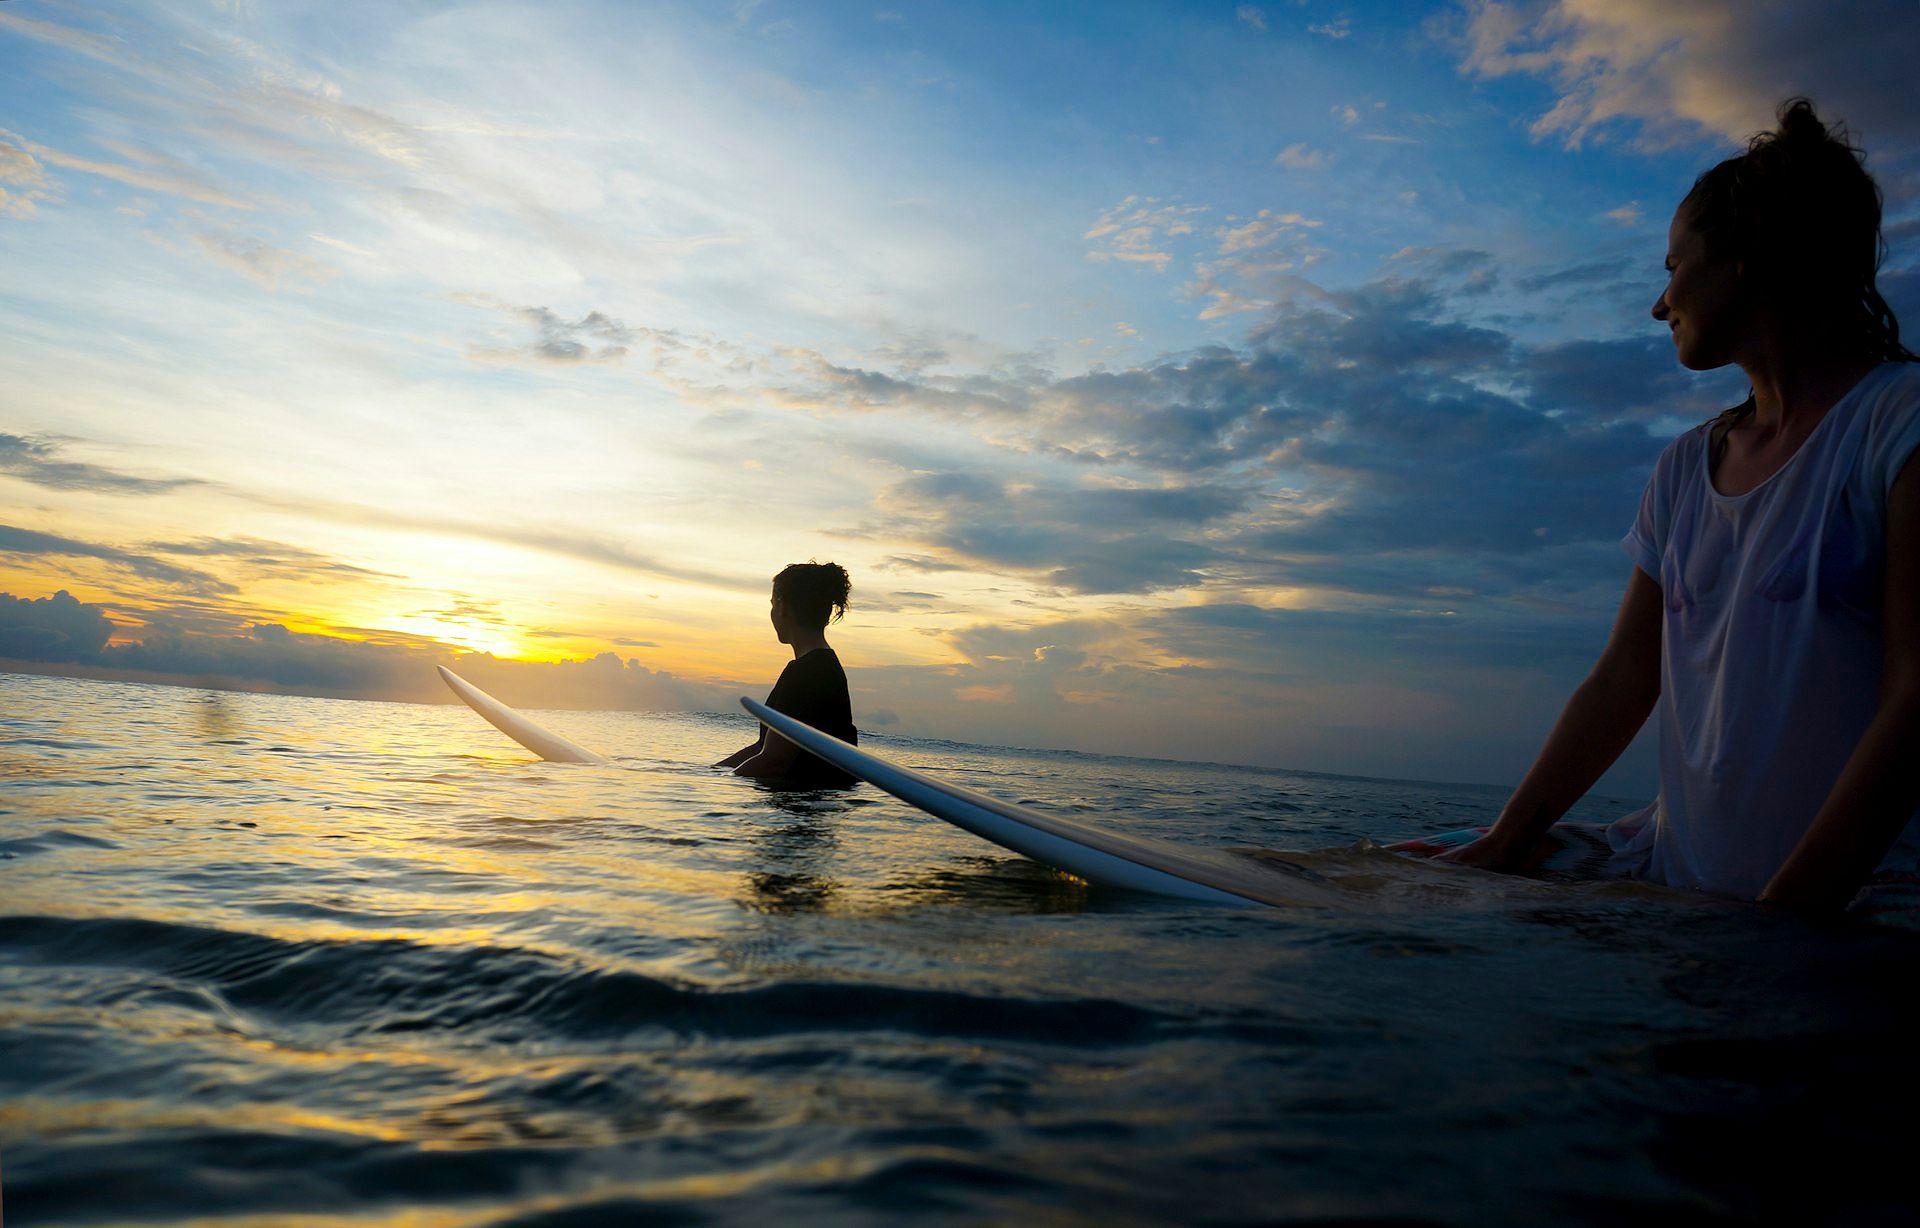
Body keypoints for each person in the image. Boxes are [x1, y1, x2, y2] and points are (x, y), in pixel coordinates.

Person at [1419, 98, 1920, 915]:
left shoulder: (1897, 425)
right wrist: (1505, 844)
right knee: (1403, 871)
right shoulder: (1687, 467)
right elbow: (1624, 678)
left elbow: (1916, 696)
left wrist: (1786, 918)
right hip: (1684, 885)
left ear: (1744, 261)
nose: (1660, 305)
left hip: (1854, 910)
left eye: (1672, 267)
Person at [717, 562, 859, 788]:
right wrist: (712, 773)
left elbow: (775, 761)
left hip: (802, 808)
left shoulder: (809, 673)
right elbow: (764, 746)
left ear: (782, 607)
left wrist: (715, 787)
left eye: (772, 604)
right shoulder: (819, 666)